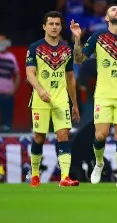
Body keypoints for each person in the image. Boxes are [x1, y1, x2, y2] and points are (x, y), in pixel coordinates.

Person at [71, 5, 117, 188]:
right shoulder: (98, 38)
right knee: (101, 135)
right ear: (106, 18)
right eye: (113, 9)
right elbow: (79, 59)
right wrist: (77, 40)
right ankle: (99, 163)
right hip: (103, 95)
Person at [25, 11, 80, 187]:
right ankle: (34, 175)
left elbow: (70, 78)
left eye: (57, 24)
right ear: (44, 27)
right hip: (41, 99)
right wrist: (40, 90)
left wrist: (74, 104)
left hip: (61, 99)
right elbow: (29, 73)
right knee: (39, 137)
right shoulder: (35, 48)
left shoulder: (66, 49)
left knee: (63, 136)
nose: (54, 27)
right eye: (51, 24)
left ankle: (64, 177)